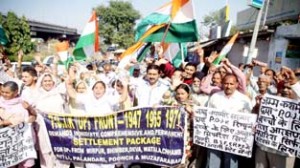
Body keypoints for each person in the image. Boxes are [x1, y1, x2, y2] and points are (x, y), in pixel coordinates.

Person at [206, 74, 252, 168]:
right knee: (213, 163)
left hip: (233, 139)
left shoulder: (244, 99)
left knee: (231, 163)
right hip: (215, 137)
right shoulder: (215, 97)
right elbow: (207, 114)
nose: (228, 86)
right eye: (226, 83)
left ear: (236, 84)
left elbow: (249, 119)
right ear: (222, 84)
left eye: (231, 84)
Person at [0, 81, 37, 168]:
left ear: (16, 92)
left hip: (21, 140)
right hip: (6, 141)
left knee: (24, 164)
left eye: (7, 92)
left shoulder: (23, 103)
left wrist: (6, 122)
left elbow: (27, 118)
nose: (4, 94)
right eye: (2, 92)